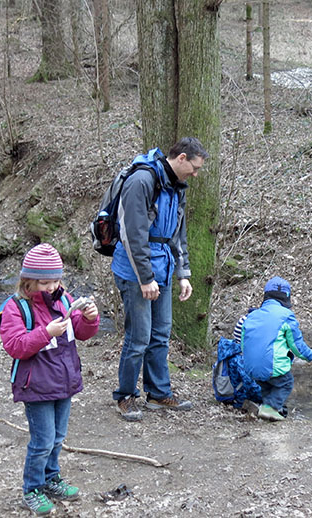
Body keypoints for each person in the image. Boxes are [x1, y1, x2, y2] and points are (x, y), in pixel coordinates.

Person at [111, 137, 209, 421]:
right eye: (194, 167)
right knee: (138, 337)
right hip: (135, 270)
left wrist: (183, 274)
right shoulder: (141, 181)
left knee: (160, 335)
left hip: (163, 267)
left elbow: (178, 234)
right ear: (181, 158)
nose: (196, 173)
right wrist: (144, 278)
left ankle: (158, 393)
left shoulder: (178, 188)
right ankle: (125, 396)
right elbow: (132, 235)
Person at [0, 243, 100, 515]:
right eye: (44, 282)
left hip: (64, 382)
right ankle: (32, 488)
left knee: (57, 438)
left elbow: (81, 332)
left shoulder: (64, 300)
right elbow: (15, 345)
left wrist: (89, 319)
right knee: (42, 441)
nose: (51, 286)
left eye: (56, 280)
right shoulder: (15, 307)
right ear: (28, 280)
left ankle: (51, 478)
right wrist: (47, 332)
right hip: (36, 386)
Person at [234, 277, 312, 421]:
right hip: (271, 366)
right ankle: (270, 408)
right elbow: (296, 345)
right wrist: (310, 357)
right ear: (287, 298)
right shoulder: (286, 316)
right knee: (286, 383)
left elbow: (243, 342)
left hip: (250, 367)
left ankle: (269, 408)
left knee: (267, 385)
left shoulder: (252, 315)